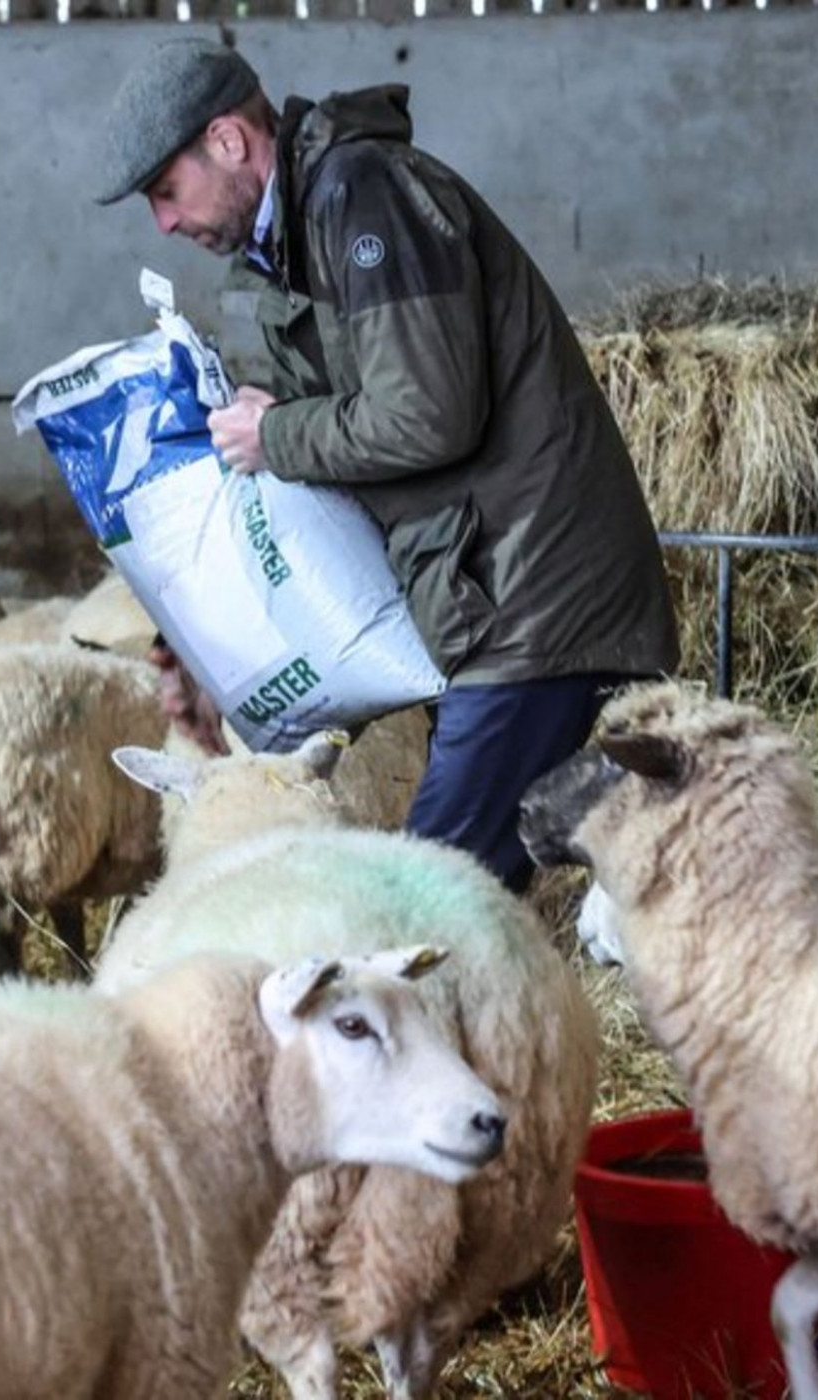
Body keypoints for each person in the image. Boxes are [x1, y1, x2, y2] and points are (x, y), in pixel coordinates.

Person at [94, 37, 678, 892]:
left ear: (227, 141)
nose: (165, 224)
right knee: (461, 897)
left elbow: (428, 412)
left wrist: (278, 434)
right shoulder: (293, 244)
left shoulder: (364, 198)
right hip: (484, 600)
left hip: (534, 605)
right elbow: (327, 470)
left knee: (423, 900)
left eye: (165, 191)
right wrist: (199, 650)